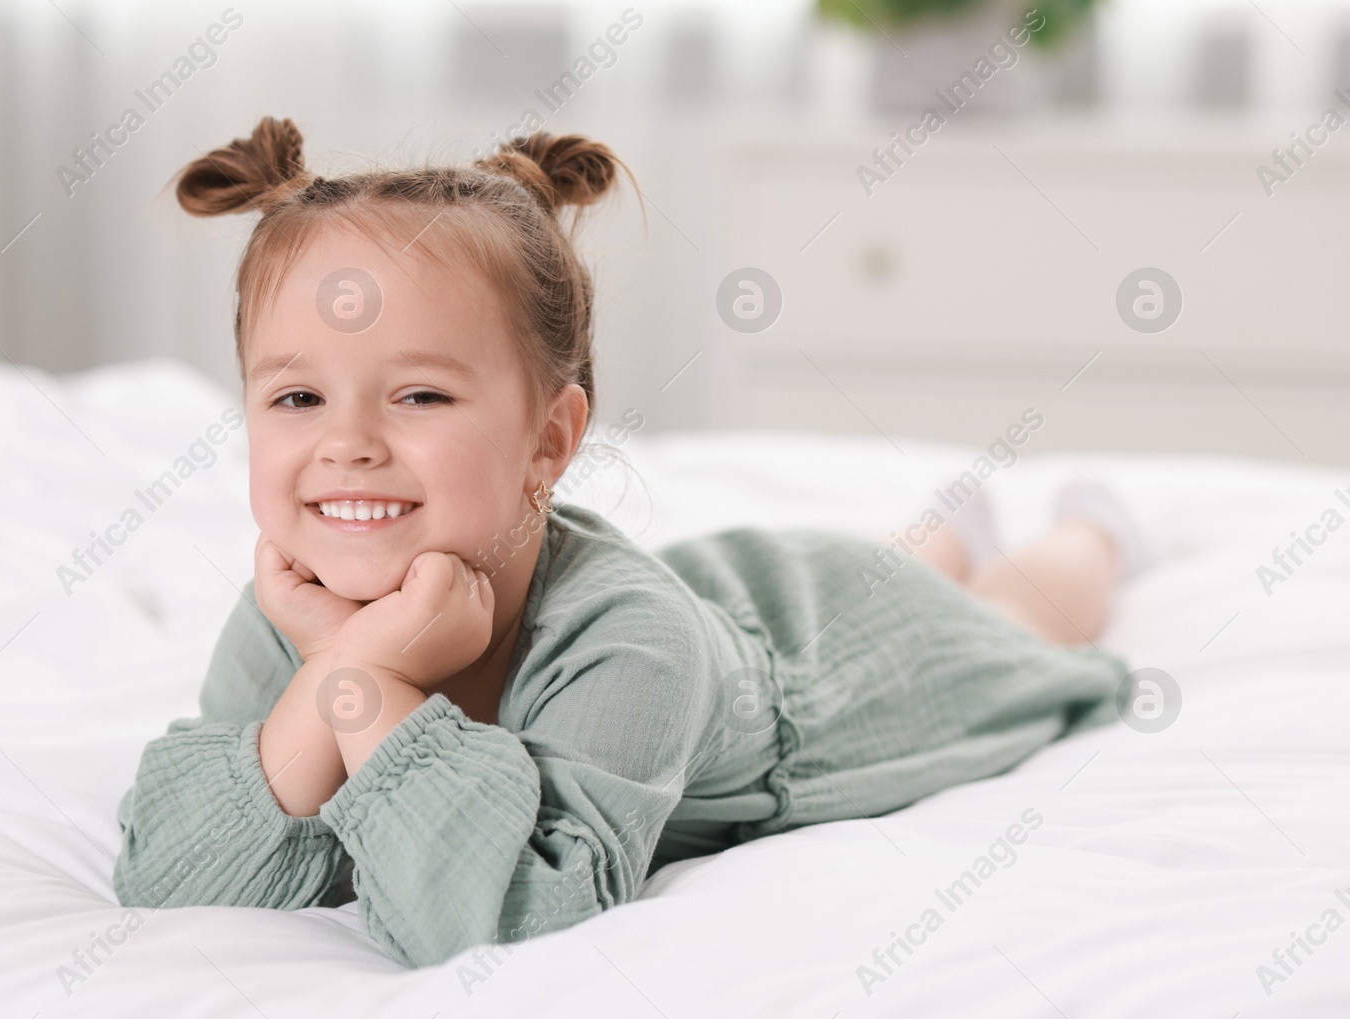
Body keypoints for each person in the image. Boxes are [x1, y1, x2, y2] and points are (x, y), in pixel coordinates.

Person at [112, 116, 1144, 969]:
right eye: (296, 395)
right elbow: (177, 875)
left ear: (546, 440)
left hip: (841, 665)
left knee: (1016, 619)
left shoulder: (630, 641)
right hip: (724, 605)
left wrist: (363, 683)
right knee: (915, 558)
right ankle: (942, 531)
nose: (346, 444)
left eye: (418, 393)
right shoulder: (289, 612)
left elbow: (511, 916)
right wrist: (340, 663)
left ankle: (1087, 528)